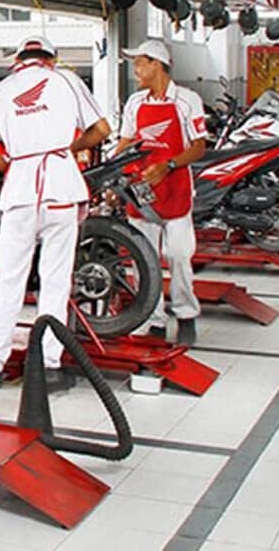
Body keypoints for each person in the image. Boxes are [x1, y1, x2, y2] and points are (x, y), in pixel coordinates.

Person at [0, 35, 113, 391]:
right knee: (55, 281)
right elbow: (102, 129)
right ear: (51, 59)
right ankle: (49, 366)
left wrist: (15, 167)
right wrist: (69, 148)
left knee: (8, 280)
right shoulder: (67, 80)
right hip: (61, 187)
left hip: (19, 192)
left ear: (18, 60)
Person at [114, 39, 208, 346]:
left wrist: (168, 165)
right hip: (141, 191)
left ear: (157, 64)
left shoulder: (187, 100)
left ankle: (186, 314)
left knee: (178, 255)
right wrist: (112, 173)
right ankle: (153, 318)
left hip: (175, 188)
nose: (136, 70)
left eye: (140, 63)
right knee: (144, 258)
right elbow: (126, 142)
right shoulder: (135, 103)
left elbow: (199, 146)